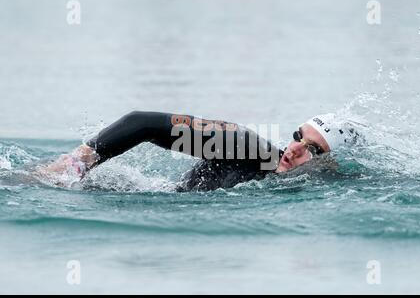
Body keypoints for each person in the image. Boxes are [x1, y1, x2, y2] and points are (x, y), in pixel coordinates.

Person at [37, 111, 360, 191]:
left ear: (330, 164)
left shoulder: (333, 187)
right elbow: (142, 123)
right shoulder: (245, 147)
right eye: (297, 137)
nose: (295, 150)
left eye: (313, 150)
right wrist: (74, 165)